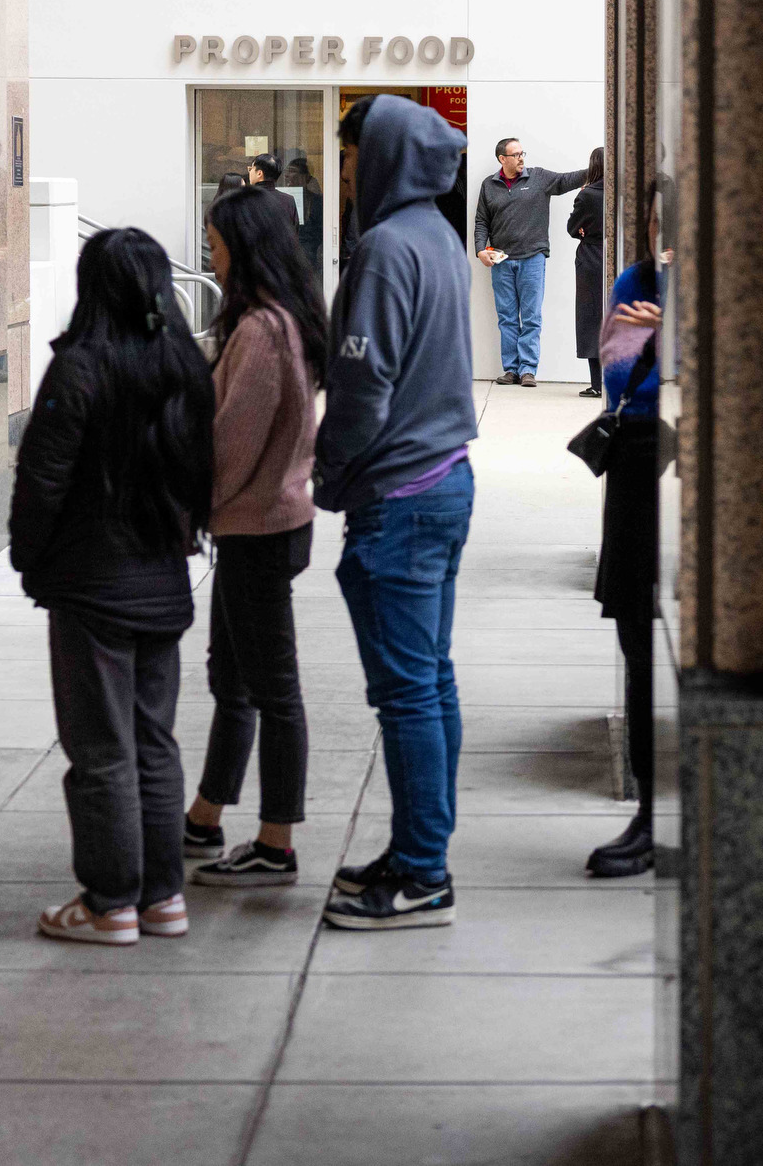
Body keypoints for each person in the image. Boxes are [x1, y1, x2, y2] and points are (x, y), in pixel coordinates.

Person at [10, 227, 215, 946]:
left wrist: (29, 558)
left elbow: (41, 478)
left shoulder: (80, 367)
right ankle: (163, 897)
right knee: (153, 739)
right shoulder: (183, 363)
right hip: (163, 579)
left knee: (100, 746)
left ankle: (110, 901)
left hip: (92, 584)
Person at [317, 94, 478, 930]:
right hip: (446, 481)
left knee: (408, 693)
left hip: (402, 497)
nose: (345, 180)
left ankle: (421, 873)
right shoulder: (441, 238)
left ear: (381, 161)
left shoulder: (383, 248)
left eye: (349, 164)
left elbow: (361, 388)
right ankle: (422, 852)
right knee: (432, 681)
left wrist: (329, 475)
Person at [182, 187, 328, 887]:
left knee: (270, 687)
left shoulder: (263, 330)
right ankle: (206, 814)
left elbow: (231, 446)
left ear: (244, 248)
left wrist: (187, 506)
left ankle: (276, 843)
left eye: (214, 240)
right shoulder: (274, 320)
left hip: (258, 526)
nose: (208, 252)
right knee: (233, 678)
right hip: (260, 522)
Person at [586, 177, 669, 876]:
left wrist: (668, 339)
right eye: (653, 221)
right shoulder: (631, 281)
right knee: (639, 646)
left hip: (694, 484)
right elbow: (621, 382)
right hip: (638, 474)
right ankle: (648, 813)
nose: (661, 236)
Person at [472, 136, 589, 386]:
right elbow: (482, 220)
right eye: (515, 154)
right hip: (501, 259)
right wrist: (480, 250)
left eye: (522, 153)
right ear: (502, 159)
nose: (521, 158)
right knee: (507, 317)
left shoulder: (539, 178)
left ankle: (528, 370)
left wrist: (599, 168)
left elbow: (567, 180)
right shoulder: (489, 185)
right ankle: (511, 369)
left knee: (531, 317)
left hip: (532, 258)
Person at [568, 148, 607, 398]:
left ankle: (597, 384)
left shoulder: (587, 195)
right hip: (615, 254)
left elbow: (573, 227)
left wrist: (583, 231)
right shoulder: (622, 192)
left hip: (591, 259)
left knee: (591, 320)